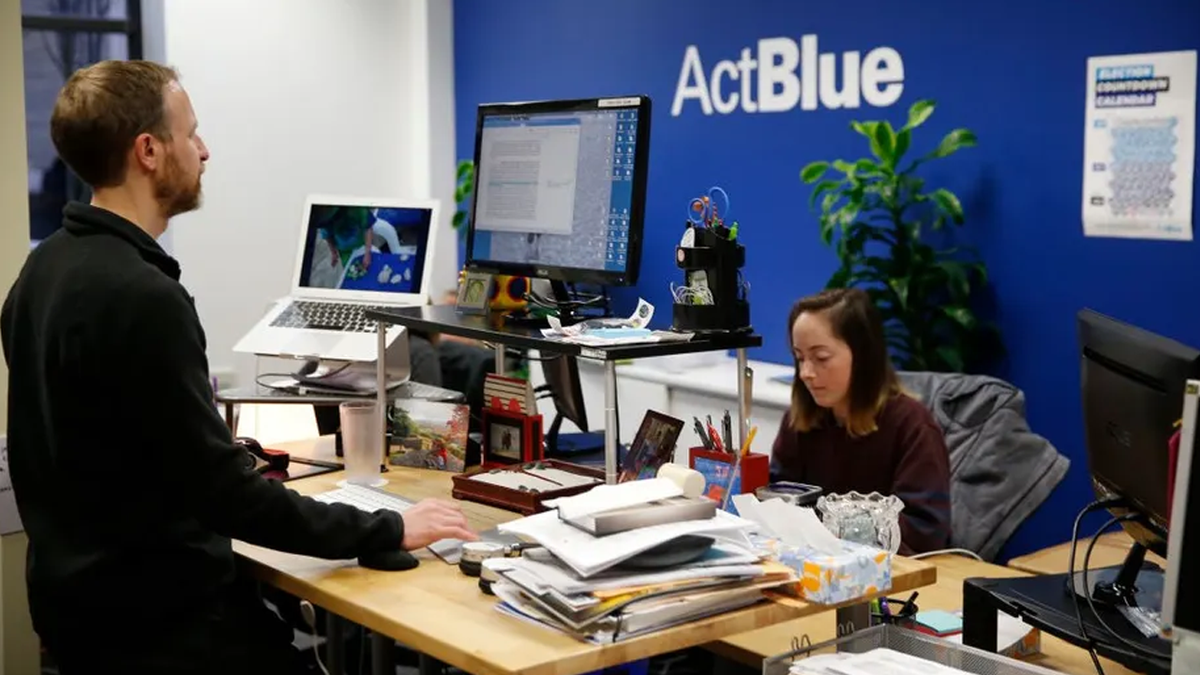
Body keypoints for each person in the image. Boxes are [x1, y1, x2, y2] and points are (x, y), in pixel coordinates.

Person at [0, 60, 477, 675]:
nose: (204, 151)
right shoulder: (141, 296)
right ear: (148, 151)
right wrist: (384, 528)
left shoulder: (40, 273)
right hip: (166, 634)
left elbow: (117, 453)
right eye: (191, 133)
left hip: (81, 618)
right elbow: (222, 494)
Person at [770, 288, 951, 555]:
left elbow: (924, 532)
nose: (806, 372)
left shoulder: (913, 426)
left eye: (821, 358)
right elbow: (779, 498)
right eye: (800, 358)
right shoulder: (800, 420)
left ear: (863, 355)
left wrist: (838, 531)